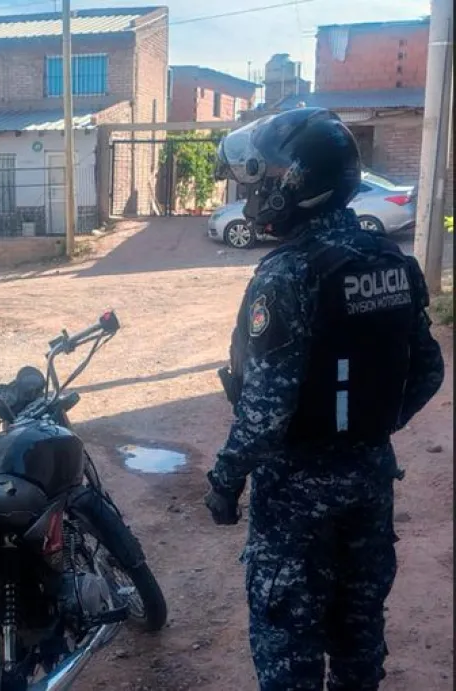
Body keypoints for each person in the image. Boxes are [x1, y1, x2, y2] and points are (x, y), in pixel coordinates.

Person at [204, 107, 445, 690]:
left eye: (259, 185)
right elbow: (429, 371)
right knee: (359, 638)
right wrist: (369, 426)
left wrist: (225, 481)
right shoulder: (390, 260)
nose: (254, 197)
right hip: (369, 482)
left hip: (296, 498)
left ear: (297, 187)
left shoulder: (287, 274)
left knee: (290, 644)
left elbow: (265, 410)